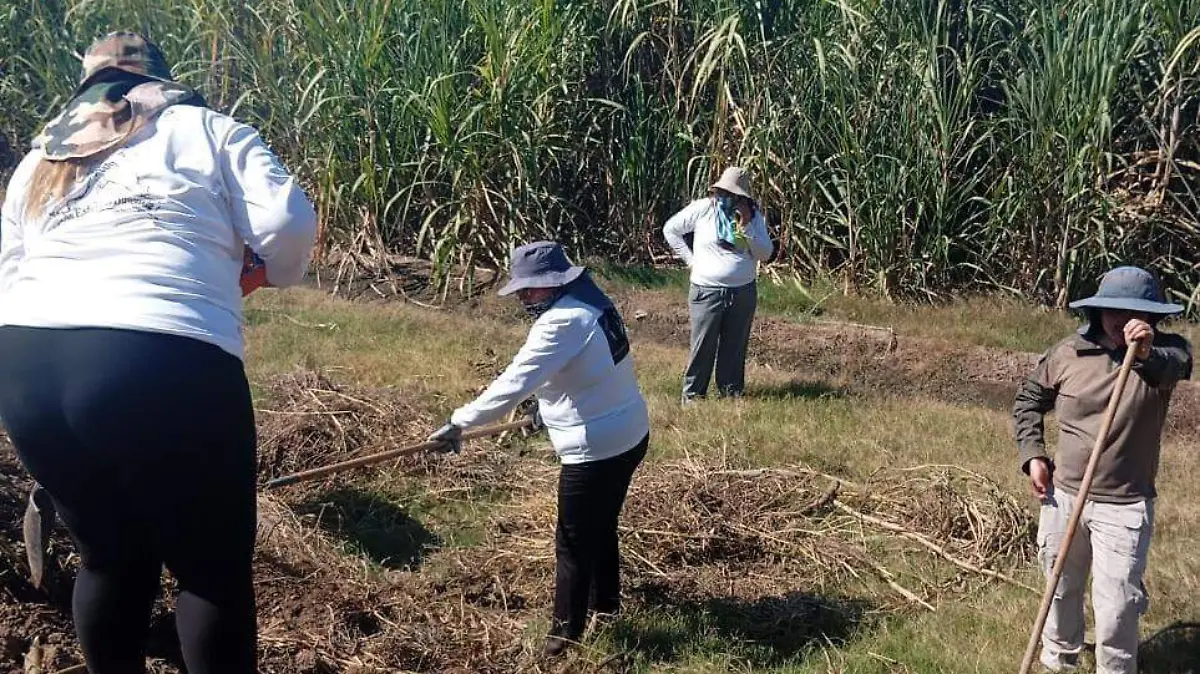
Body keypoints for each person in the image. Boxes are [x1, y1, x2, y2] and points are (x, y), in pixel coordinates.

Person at [0, 32, 317, 674]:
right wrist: (270, 273)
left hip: (25, 368)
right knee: (210, 571)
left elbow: (10, 268)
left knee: (110, 555)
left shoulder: (40, 158)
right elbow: (286, 226)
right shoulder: (204, 128)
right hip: (155, 359)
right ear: (161, 81)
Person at [428, 241, 650, 657]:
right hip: (630, 432)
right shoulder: (593, 302)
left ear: (555, 284)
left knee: (571, 541)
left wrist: (459, 422)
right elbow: (587, 370)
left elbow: (516, 380)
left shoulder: (560, 323)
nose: (525, 296)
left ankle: (564, 638)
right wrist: (542, 411)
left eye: (532, 288)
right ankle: (606, 606)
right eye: (522, 290)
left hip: (596, 448)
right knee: (600, 525)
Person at [1012, 266, 1192, 674]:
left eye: (1136, 312)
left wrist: (1144, 353)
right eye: (1114, 309)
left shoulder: (1168, 354)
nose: (1123, 320)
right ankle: (1059, 662)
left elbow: (1172, 366)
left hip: (1125, 505)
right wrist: (1034, 455)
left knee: (1117, 607)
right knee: (1059, 591)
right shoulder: (1068, 353)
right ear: (1098, 310)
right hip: (1064, 497)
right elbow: (1026, 401)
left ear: (1152, 317)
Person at [662, 166, 773, 405]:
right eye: (723, 192)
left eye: (734, 195)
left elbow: (765, 253)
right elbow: (671, 230)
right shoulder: (704, 209)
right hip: (707, 290)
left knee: (735, 346)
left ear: (744, 197)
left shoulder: (754, 216)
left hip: (743, 291)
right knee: (703, 345)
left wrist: (746, 226)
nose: (727, 198)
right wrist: (691, 261)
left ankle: (731, 394)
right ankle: (692, 397)